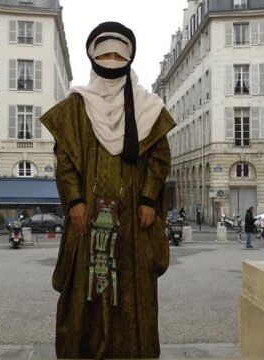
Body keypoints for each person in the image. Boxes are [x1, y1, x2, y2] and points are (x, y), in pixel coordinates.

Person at [41, 21, 176, 359]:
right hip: (87, 219)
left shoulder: (148, 107)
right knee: (84, 292)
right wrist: (74, 201)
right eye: (105, 55)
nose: (112, 60)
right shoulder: (75, 108)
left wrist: (148, 198)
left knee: (131, 291)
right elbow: (65, 160)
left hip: (133, 222)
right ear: (93, 58)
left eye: (119, 55)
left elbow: (159, 159)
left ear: (129, 59)